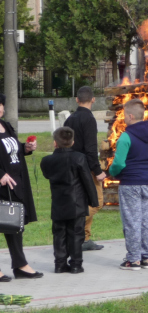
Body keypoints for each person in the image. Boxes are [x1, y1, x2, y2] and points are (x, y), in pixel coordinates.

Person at [107, 99, 148, 270]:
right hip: (147, 182)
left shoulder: (126, 137)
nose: (123, 119)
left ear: (130, 116)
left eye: (124, 116)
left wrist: (112, 173)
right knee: (147, 220)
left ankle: (133, 259)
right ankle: (147, 257)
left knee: (132, 220)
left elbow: (119, 163)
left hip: (130, 183)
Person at [40, 127, 99, 274]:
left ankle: (59, 264)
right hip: (77, 202)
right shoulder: (79, 157)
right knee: (76, 233)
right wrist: (93, 200)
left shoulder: (47, 161)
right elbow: (87, 180)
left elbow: (47, 175)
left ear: (55, 143)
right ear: (73, 142)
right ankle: (76, 264)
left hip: (58, 202)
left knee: (59, 233)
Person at [0, 93, 42, 279]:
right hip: (2, 183)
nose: (1, 108)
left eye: (1, 104)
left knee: (13, 224)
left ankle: (20, 265)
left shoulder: (6, 126)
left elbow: (11, 150)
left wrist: (25, 148)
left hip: (15, 183)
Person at [63, 86, 106, 251]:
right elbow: (90, 149)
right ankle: (77, 232)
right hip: (85, 168)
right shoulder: (88, 119)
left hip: (71, 166)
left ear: (77, 99)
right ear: (93, 100)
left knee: (84, 201)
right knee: (97, 202)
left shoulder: (70, 119)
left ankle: (84, 238)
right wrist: (98, 171)